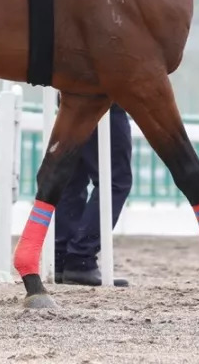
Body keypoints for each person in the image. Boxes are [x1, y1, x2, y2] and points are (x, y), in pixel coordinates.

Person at [54, 103, 133, 287]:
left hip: (69, 97)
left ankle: (61, 257)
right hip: (103, 97)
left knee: (72, 179)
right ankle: (80, 258)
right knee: (115, 180)